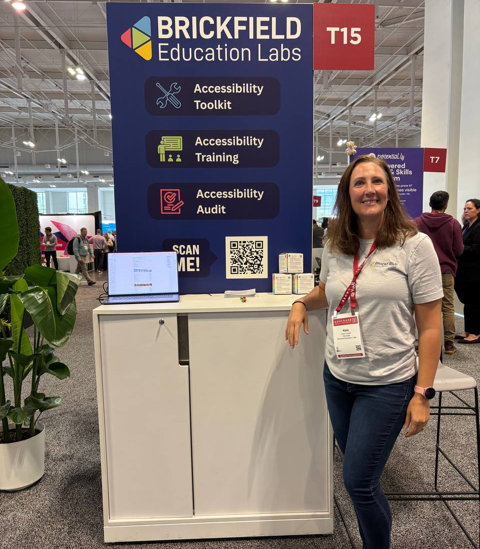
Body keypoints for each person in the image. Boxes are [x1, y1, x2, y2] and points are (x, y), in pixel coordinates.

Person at [285, 155, 443, 549]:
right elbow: (329, 290)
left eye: (376, 181)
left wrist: (423, 393)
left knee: (359, 481)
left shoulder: (414, 245)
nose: (368, 189)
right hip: (338, 377)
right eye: (359, 183)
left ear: (389, 190)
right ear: (347, 193)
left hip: (387, 384)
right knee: (361, 479)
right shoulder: (336, 241)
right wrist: (301, 303)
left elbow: (431, 326)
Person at [415, 191, 464, 354]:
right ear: (446, 205)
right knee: (448, 307)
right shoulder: (453, 223)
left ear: (430, 204)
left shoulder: (417, 222)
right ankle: (449, 344)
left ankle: (421, 341)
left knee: (421, 306)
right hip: (445, 270)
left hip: (422, 271)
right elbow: (459, 249)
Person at [455, 199, 480, 344]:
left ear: (478, 210)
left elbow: (477, 249)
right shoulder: (466, 226)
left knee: (475, 303)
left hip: (475, 271)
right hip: (465, 270)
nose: (466, 211)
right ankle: (468, 330)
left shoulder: (478, 227)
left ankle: (475, 333)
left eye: (469, 208)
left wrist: (459, 247)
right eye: (465, 208)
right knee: (468, 303)